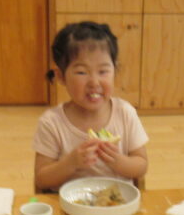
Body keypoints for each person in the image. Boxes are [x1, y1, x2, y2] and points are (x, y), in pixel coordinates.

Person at [33, 21, 148, 191]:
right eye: (82, 72)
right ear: (61, 76)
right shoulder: (52, 123)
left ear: (115, 71)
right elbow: (41, 179)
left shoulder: (125, 113)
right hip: (68, 204)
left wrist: (118, 162)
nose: (94, 82)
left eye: (103, 71)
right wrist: (70, 163)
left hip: (117, 201)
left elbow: (142, 165)